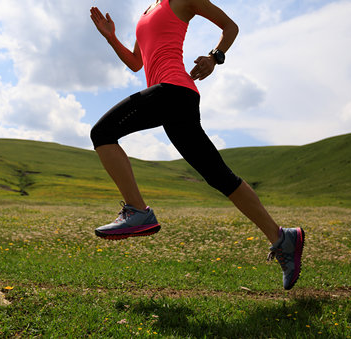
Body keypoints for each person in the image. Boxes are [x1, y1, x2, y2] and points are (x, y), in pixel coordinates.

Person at [89, 0, 305, 290]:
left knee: (103, 132)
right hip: (174, 101)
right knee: (219, 176)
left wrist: (214, 57)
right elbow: (136, 63)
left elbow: (231, 26)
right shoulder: (145, 13)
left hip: (174, 91)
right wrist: (111, 37)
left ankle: (137, 210)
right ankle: (282, 237)